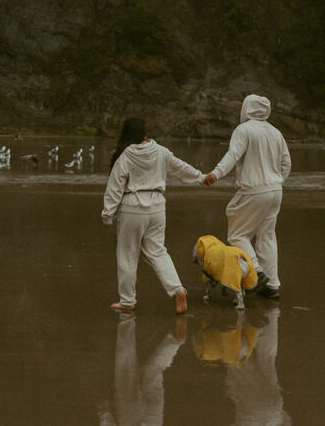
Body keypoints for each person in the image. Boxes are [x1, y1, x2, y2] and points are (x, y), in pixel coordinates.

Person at [102, 117, 204, 314]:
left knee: (127, 255)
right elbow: (181, 168)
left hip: (132, 206)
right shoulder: (161, 151)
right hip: (157, 206)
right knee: (158, 252)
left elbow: (114, 187)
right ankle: (178, 290)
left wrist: (107, 215)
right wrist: (201, 177)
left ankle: (127, 301)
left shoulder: (125, 155)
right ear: (145, 133)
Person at [202, 95, 291, 299]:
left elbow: (233, 155)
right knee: (267, 236)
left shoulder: (244, 130)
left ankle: (257, 273)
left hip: (254, 190)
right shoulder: (276, 132)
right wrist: (277, 181)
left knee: (238, 235)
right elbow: (286, 163)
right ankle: (272, 285)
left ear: (247, 108)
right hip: (275, 190)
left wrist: (215, 173)